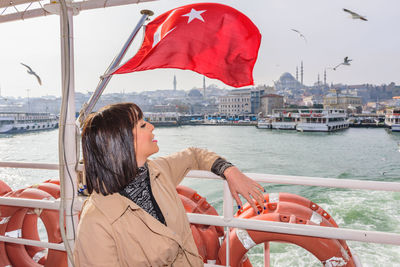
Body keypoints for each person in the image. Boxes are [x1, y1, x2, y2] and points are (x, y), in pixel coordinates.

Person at [74, 103, 265, 267]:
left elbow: (193, 155)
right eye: (142, 125)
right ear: (121, 143)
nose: (152, 126)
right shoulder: (96, 221)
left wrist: (230, 171)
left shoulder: (158, 170)